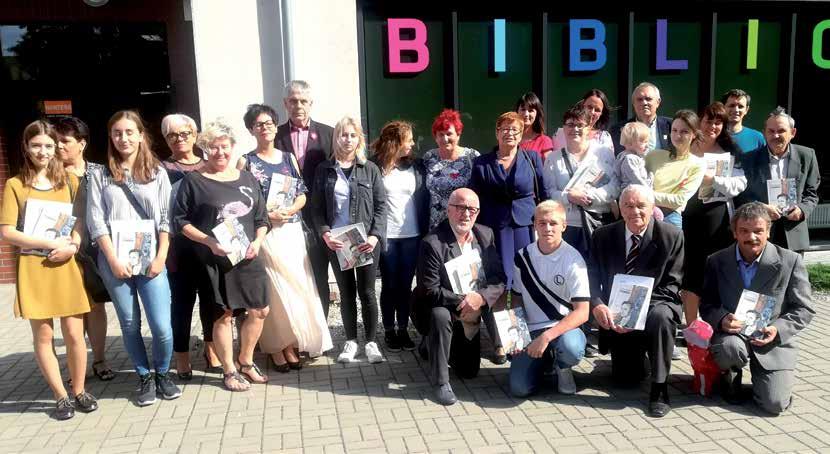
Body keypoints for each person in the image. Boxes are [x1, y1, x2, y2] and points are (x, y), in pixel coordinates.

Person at [0, 120, 97, 420]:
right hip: (34, 266)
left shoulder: (68, 181)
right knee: (43, 336)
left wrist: (72, 245)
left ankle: (79, 390)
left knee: (74, 333)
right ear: (26, 148)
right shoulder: (15, 185)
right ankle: (60, 396)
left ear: (57, 147)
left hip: (65, 263)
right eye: (36, 145)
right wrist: (45, 241)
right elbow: (7, 231)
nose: (42, 151)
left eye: (48, 145)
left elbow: (79, 222)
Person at [86, 110, 180, 405]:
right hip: (115, 260)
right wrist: (112, 259)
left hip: (152, 259)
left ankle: (163, 372)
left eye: (129, 132)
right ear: (111, 138)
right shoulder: (100, 175)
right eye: (117, 133)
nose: (123, 138)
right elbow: (96, 221)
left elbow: (166, 218)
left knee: (162, 326)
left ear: (141, 135)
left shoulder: (157, 173)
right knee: (129, 323)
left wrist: (161, 256)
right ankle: (144, 377)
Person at [173, 119, 271, 391]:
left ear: (232, 147)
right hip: (214, 259)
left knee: (260, 309)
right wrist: (209, 242)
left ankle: (246, 360)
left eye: (224, 147)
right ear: (205, 149)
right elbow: (180, 221)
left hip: (248, 256)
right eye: (213, 148)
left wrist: (259, 241)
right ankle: (229, 370)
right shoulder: (194, 181)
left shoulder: (247, 178)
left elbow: (262, 218)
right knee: (223, 314)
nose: (220, 153)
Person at [241, 104, 332, 372]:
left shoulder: (288, 158)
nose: (265, 127)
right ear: (251, 129)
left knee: (297, 288)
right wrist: (268, 216)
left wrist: (291, 209)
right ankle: (275, 347)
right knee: (276, 291)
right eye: (259, 124)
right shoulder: (246, 162)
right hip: (266, 234)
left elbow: (302, 193)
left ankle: (291, 343)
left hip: (291, 232)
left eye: (269, 122)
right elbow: (243, 203)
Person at [700, 202, 814, 414]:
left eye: (758, 231)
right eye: (744, 231)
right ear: (734, 233)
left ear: (768, 232)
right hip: (733, 337)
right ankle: (731, 375)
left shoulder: (790, 261)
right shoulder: (716, 261)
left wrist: (778, 329)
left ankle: (766, 383)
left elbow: (804, 308)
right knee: (729, 348)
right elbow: (707, 304)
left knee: (775, 404)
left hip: (771, 338)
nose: (751, 237)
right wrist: (721, 317)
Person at [588, 185, 684, 418]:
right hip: (617, 317)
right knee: (626, 380)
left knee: (661, 317)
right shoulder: (603, 235)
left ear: (652, 208)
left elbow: (672, 285)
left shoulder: (671, 235)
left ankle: (659, 389)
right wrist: (597, 303)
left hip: (655, 306)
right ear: (620, 208)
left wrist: (636, 310)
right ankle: (639, 358)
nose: (635, 211)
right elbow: (591, 276)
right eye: (628, 206)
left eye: (641, 206)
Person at [413, 188, 506, 406]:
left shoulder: (486, 235)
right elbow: (429, 289)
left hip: (471, 309)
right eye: (460, 207)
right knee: (439, 316)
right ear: (448, 209)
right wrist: (465, 300)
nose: (466, 214)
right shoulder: (432, 242)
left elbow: (499, 278)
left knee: (469, 371)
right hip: (439, 306)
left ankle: (436, 345)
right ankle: (440, 382)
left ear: (478, 212)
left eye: (471, 209)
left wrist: (481, 298)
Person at [311, 116, 387, 364]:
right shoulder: (324, 170)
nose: (348, 139)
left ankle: (372, 342)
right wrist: (325, 233)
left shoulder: (370, 169)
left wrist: (375, 237)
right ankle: (351, 341)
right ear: (336, 138)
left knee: (367, 292)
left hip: (365, 241)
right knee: (346, 292)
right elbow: (317, 208)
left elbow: (381, 207)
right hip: (338, 241)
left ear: (359, 139)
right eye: (343, 134)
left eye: (353, 135)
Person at [160, 113, 222, 379]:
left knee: (211, 299)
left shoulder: (209, 165)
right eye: (172, 135)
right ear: (166, 139)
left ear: (195, 135)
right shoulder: (160, 169)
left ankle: (211, 348)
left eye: (184, 133)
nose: (179, 139)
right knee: (182, 303)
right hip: (178, 247)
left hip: (209, 244)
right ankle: (182, 357)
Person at [54, 116, 114, 382]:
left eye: (65, 142)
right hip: (65, 250)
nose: (58, 147)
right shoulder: (50, 176)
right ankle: (76, 367)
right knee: (73, 310)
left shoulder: (101, 172)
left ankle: (99, 359)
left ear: (82, 143)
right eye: (56, 142)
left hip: (97, 249)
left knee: (96, 306)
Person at [508, 200, 589, 397]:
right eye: (542, 223)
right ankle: (544, 361)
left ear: (564, 225)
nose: (547, 228)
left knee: (571, 349)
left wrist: (547, 337)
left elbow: (582, 312)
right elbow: (516, 300)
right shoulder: (522, 256)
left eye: (553, 223)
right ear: (534, 225)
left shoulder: (574, 259)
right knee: (519, 389)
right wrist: (516, 337)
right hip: (533, 329)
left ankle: (563, 366)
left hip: (563, 329)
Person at [680, 103, 747, 324]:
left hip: (718, 220)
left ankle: (717, 321)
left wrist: (714, 181)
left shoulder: (730, 151)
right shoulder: (687, 146)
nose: (713, 126)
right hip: (688, 217)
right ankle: (691, 327)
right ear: (700, 121)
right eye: (709, 120)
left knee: (718, 271)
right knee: (692, 273)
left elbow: (740, 183)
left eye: (718, 122)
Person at [275, 80, 336, 317]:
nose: (298, 105)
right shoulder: (275, 135)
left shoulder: (328, 133)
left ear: (311, 103)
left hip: (320, 216)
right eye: (292, 101)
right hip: (287, 215)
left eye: (303, 101)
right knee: (291, 273)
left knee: (319, 272)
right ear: (285, 103)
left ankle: (320, 329)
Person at [369, 121, 430, 352]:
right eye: (409, 139)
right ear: (396, 142)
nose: (413, 143)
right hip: (386, 236)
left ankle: (403, 329)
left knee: (405, 285)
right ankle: (388, 330)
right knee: (389, 284)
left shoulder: (416, 166)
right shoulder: (374, 166)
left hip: (412, 235)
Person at [471, 111, 549, 289]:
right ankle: (501, 313)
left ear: (521, 134)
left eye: (515, 129)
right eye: (505, 129)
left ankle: (526, 310)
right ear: (497, 133)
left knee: (526, 270)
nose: (510, 133)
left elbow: (543, 192)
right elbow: (474, 197)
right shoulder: (481, 163)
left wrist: (546, 219)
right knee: (499, 273)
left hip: (525, 223)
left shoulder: (532, 158)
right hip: (493, 226)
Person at [735, 107, 819, 254]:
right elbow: (741, 195)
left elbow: (811, 193)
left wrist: (801, 210)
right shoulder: (748, 159)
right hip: (759, 233)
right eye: (771, 131)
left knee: (792, 276)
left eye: (781, 131)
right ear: (764, 133)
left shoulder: (807, 156)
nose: (775, 135)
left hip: (794, 232)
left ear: (792, 133)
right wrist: (761, 208)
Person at [544, 105, 619, 260]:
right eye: (570, 125)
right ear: (563, 128)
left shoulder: (603, 153)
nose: (575, 129)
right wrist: (568, 197)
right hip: (567, 227)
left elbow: (614, 186)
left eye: (580, 125)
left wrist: (588, 195)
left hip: (598, 223)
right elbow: (548, 192)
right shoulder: (553, 158)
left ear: (589, 128)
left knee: (597, 273)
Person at [423, 109, 481, 231]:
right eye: (440, 134)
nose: (445, 138)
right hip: (436, 224)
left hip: (463, 221)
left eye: (449, 134)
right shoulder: (429, 157)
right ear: (435, 137)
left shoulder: (472, 157)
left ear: (458, 135)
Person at [645, 110, 706, 228]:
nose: (678, 136)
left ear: (694, 134)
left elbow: (680, 200)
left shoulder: (698, 164)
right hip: (644, 213)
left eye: (684, 132)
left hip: (671, 218)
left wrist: (646, 195)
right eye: (674, 130)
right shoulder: (653, 156)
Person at [613, 121, 663, 221]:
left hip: (637, 193)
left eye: (647, 142)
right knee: (657, 216)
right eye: (643, 142)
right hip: (633, 195)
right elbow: (636, 179)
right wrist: (648, 191)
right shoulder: (629, 159)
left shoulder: (636, 157)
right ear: (630, 143)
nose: (646, 145)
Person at [610, 82, 672, 154]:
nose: (644, 103)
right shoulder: (618, 130)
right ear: (633, 103)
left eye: (648, 99)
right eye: (639, 99)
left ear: (658, 102)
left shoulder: (671, 126)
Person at [515, 92, 554, 160]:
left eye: (530, 110)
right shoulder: (510, 139)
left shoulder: (544, 141)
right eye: (523, 109)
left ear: (537, 114)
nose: (526, 114)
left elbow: (548, 169)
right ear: (517, 112)